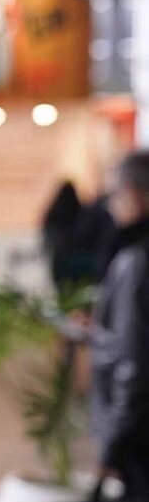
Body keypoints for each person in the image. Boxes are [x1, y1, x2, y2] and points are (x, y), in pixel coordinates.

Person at [81, 151, 149, 481]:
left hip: (138, 432)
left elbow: (134, 361)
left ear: (135, 194)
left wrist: (115, 441)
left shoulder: (135, 260)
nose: (111, 206)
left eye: (115, 195)